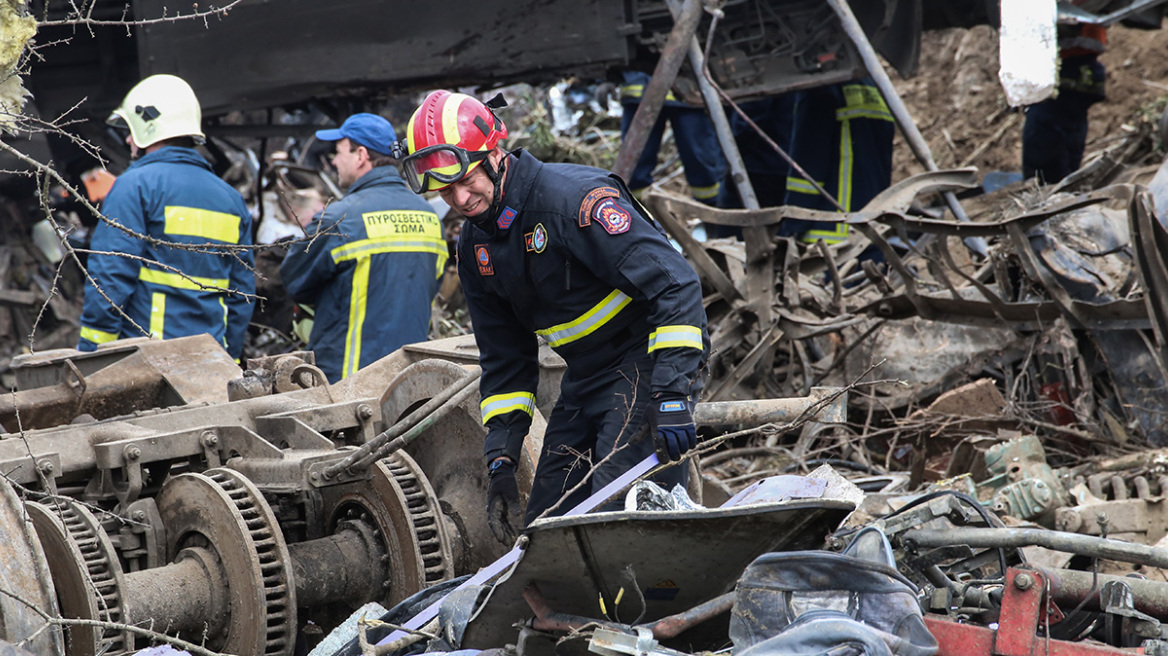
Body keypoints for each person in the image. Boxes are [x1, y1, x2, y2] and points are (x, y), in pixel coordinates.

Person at [400, 90, 709, 543]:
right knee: (547, 528)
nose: (461, 199)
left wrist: (671, 393)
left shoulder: (574, 201)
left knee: (614, 516)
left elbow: (675, 285)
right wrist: (502, 460)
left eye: (467, 181)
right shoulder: (474, 249)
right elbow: (506, 360)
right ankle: (563, 615)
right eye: (446, 191)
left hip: (647, 362)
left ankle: (647, 614)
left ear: (495, 154)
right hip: (585, 376)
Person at [77, 74, 254, 359]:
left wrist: (91, 352)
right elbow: (242, 293)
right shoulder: (231, 199)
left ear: (148, 128)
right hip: (210, 363)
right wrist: (228, 359)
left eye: (132, 130)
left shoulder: (134, 186)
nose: (127, 139)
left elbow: (110, 277)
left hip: (147, 362)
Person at [281, 113, 445, 382]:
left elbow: (295, 281)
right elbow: (429, 286)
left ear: (360, 155)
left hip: (347, 384)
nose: (334, 160)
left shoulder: (339, 219)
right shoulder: (430, 217)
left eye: (338, 151)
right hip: (409, 384)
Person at [781, 78, 895, 244]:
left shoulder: (818, 89)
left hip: (831, 236)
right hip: (873, 227)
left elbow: (808, 163)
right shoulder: (875, 87)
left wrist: (792, 225)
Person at [618, 70, 728, 208]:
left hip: (689, 92)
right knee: (634, 167)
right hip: (641, 92)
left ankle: (715, 216)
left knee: (703, 164)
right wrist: (605, 80)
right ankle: (635, 217)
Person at [1022, 24, 1107, 184]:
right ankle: (1063, 184)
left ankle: (1051, 187)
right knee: (1067, 136)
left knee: (1047, 139)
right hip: (1079, 71)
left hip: (1061, 69)